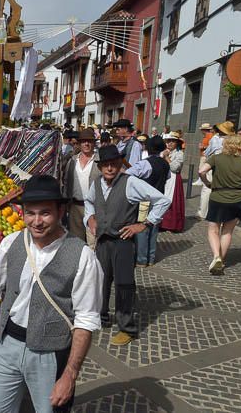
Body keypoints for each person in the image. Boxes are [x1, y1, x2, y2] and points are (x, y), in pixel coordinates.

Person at [0, 175, 103, 413]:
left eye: (45, 213)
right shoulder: (11, 243)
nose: (36, 221)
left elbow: (85, 320)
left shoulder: (82, 256)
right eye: (30, 213)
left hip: (49, 353)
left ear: (61, 212)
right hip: (7, 345)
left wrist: (70, 374)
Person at [84, 145, 170, 345]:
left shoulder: (130, 182)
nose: (110, 169)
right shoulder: (96, 184)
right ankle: (101, 317)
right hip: (103, 241)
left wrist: (144, 224)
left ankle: (127, 328)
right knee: (100, 282)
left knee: (124, 285)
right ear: (100, 166)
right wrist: (90, 219)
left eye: (113, 164)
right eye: (105, 165)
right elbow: (89, 202)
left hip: (123, 242)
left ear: (119, 163)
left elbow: (162, 200)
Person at [199, 135, 241, 275]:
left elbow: (201, 171)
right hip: (238, 199)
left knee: (213, 229)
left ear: (225, 145)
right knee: (227, 231)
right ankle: (221, 260)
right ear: (240, 147)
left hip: (218, 197)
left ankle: (216, 256)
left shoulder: (216, 158)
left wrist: (207, 183)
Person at [125, 137, 171, 267]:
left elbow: (128, 174)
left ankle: (141, 259)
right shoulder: (165, 163)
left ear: (147, 148)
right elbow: (167, 177)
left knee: (142, 229)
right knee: (153, 227)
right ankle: (150, 258)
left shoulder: (144, 164)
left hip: (144, 200)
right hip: (159, 198)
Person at [63, 129, 100, 248]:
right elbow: (66, 181)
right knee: (76, 242)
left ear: (94, 143)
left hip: (94, 208)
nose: (87, 144)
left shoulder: (99, 161)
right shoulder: (73, 160)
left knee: (93, 241)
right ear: (79, 143)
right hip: (75, 206)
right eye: (84, 141)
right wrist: (65, 202)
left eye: (89, 141)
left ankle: (94, 265)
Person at [199, 121, 235, 219]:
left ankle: (203, 212)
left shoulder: (215, 138)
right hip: (228, 167)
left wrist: (205, 151)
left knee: (207, 188)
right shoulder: (233, 140)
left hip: (214, 164)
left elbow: (208, 152)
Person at [160, 132, 186, 233]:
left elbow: (175, 168)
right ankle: (161, 223)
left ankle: (172, 225)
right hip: (164, 178)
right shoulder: (163, 151)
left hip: (173, 179)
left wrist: (166, 158)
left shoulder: (179, 153)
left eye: (173, 141)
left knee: (172, 201)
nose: (170, 143)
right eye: (168, 141)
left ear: (177, 143)